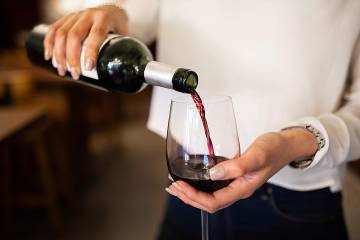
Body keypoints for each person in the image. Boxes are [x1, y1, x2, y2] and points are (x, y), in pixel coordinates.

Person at [43, 1, 360, 239]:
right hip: (185, 190)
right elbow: (134, 21)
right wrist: (114, 15)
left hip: (295, 205)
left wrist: (292, 142)